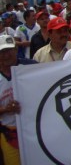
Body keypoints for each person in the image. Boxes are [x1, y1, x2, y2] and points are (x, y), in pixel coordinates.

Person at [0, 35, 37, 165]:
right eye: (2, 52)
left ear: (16, 50)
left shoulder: (32, 66)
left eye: (9, 50)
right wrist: (6, 109)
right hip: (10, 133)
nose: (6, 55)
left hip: (35, 128)